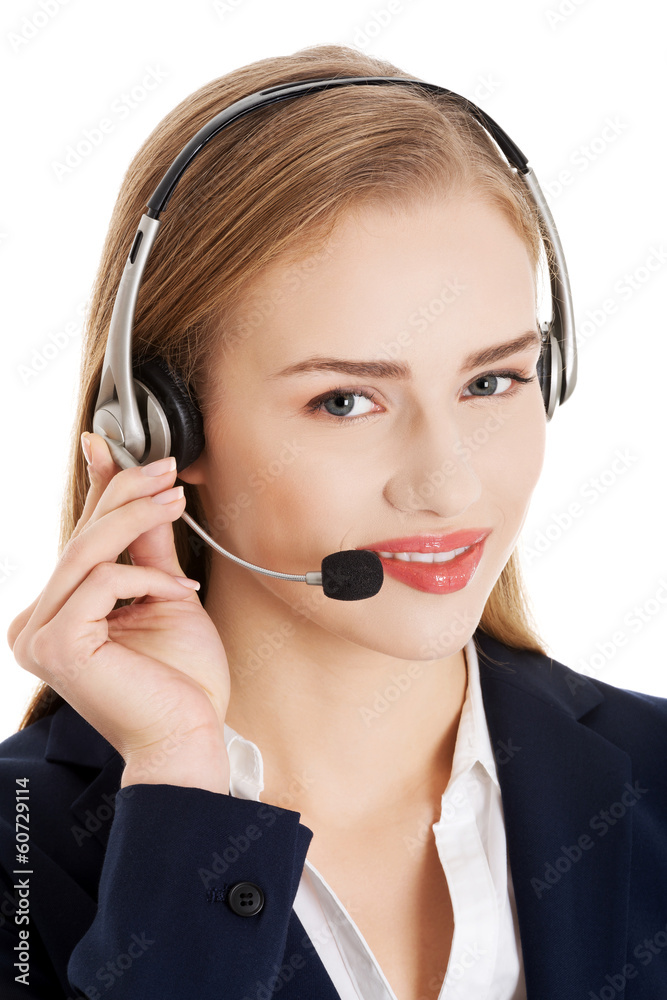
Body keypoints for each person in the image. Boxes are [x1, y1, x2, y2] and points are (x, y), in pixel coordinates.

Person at [2, 42, 666, 1000]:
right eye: (346, 401)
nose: (445, 483)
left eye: (492, 380)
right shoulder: (20, 852)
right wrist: (179, 789)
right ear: (157, 425)